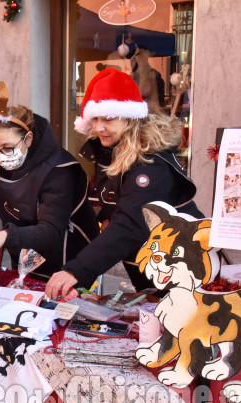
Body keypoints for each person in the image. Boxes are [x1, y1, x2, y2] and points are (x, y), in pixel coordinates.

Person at [46, 68, 204, 300]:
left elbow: (130, 224)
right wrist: (83, 279)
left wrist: (76, 271)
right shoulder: (112, 151)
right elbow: (114, 213)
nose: (99, 127)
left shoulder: (150, 162)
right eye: (96, 119)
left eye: (108, 119)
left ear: (129, 117)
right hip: (152, 269)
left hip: (184, 270)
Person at [0, 85, 100, 280]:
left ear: (28, 139)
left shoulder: (58, 170)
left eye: (8, 147)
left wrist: (6, 236)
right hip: (22, 245)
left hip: (65, 253)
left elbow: (50, 231)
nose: (0, 156)